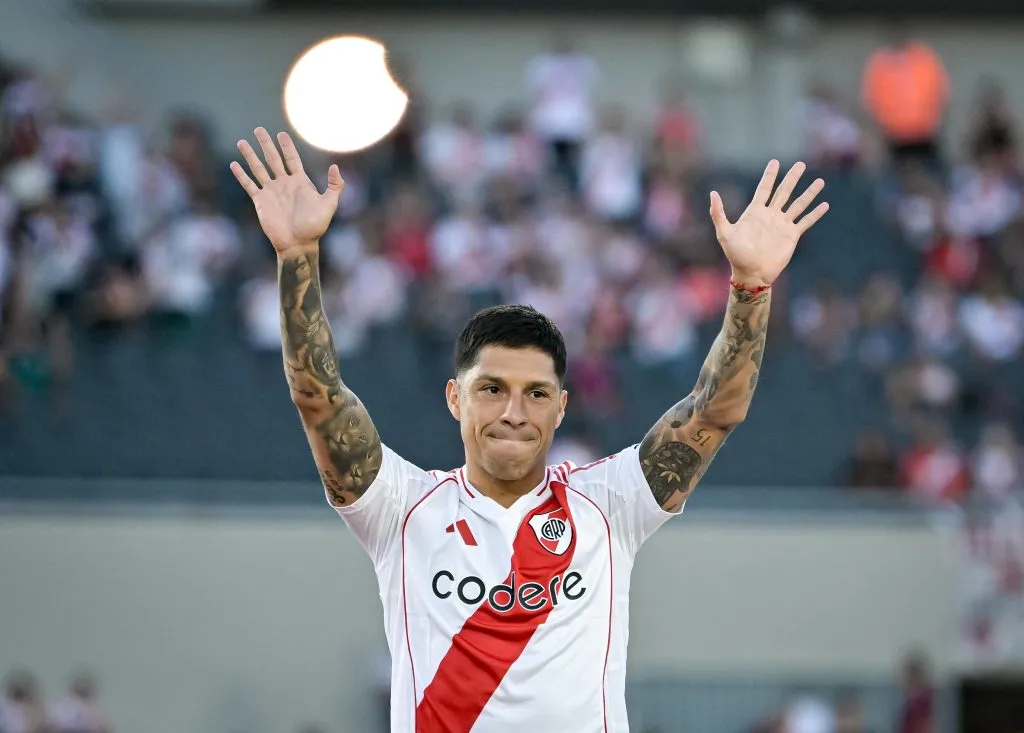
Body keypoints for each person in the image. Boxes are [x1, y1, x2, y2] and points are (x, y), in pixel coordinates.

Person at [230, 127, 829, 733]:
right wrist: (297, 256)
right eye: (492, 389)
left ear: (561, 408)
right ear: (454, 398)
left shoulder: (608, 505)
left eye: (536, 393)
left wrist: (751, 288)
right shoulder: (401, 510)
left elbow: (714, 409)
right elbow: (319, 400)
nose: (514, 410)